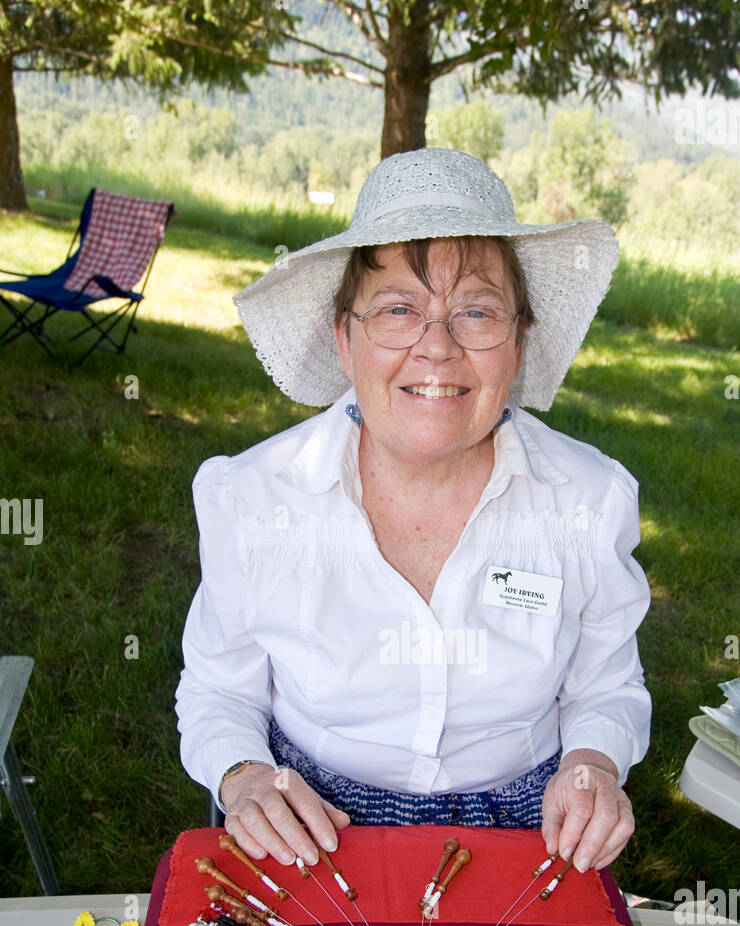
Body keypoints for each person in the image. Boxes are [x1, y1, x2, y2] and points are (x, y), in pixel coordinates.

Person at [175, 148, 651, 877]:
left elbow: (607, 687)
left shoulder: (588, 500)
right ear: (345, 338)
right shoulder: (254, 498)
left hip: (529, 827)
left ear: (518, 342)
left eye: (476, 312)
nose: (437, 347)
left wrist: (591, 767)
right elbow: (215, 688)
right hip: (312, 820)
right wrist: (244, 776)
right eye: (399, 309)